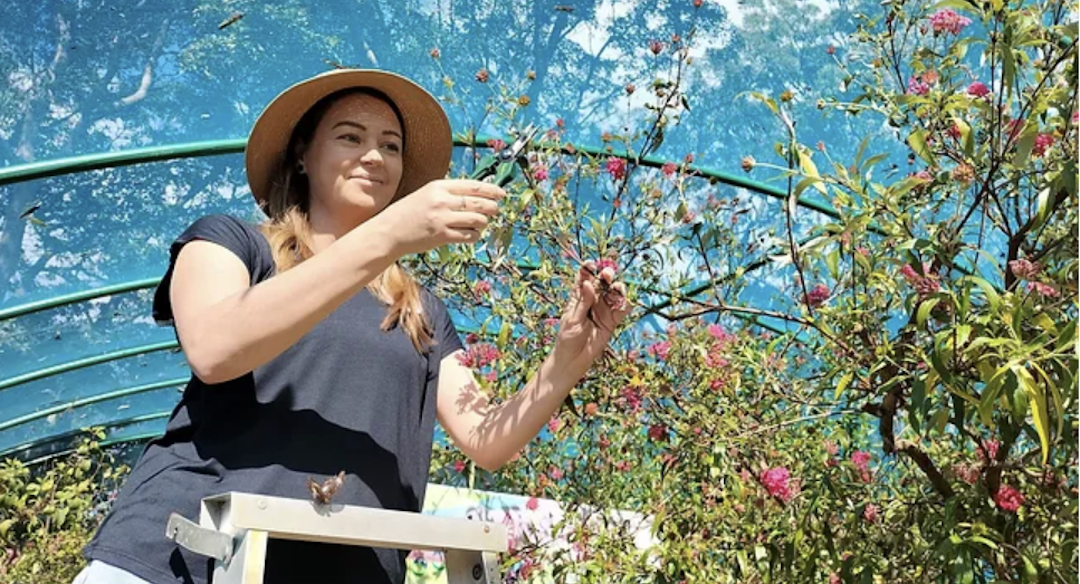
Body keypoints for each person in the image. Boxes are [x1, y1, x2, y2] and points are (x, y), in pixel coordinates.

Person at [74, 68, 630, 584]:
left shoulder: (421, 310)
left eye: (391, 145)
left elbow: (487, 440)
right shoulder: (232, 244)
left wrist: (569, 358)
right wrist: (387, 236)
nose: (375, 156)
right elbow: (216, 348)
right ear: (301, 156)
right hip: (181, 560)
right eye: (349, 137)